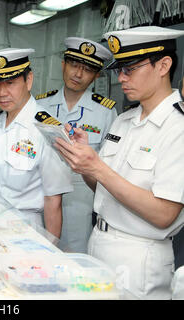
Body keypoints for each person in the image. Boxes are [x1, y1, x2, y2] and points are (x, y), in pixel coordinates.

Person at [54, 26, 184, 299]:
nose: (122, 78)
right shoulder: (124, 121)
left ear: (163, 65)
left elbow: (164, 214)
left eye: (130, 69)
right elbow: (105, 188)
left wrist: (98, 167)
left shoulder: (178, 127)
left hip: (139, 258)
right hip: (99, 242)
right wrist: (86, 164)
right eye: (119, 70)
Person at [0, 48, 73, 238]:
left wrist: (51, 255)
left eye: (10, 83)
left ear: (29, 80)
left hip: (23, 233)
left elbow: (54, 200)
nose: (1, 92)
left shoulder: (48, 129)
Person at [35, 37, 117, 253]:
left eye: (87, 69)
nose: (78, 74)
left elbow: (108, 165)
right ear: (63, 65)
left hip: (80, 200)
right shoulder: (40, 105)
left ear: (97, 74)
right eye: (74, 65)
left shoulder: (106, 112)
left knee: (74, 260)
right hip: (39, 193)